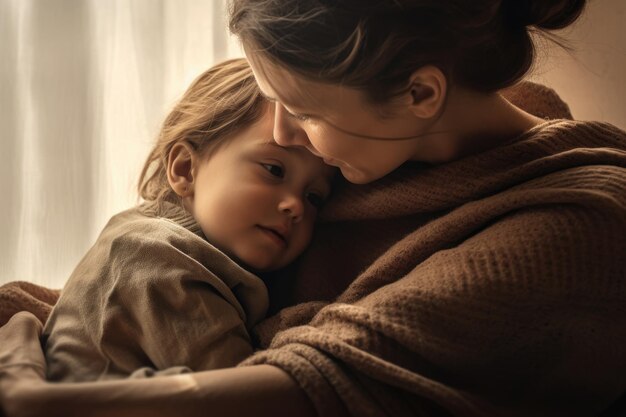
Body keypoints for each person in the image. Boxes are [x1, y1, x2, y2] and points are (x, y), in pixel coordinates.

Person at [1, 0, 625, 416]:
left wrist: (36, 395)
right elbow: (154, 281)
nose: (285, 133)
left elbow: (309, 386)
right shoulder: (381, 146)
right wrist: (27, 322)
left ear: (419, 93)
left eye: (303, 111)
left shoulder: (575, 227)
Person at [41, 57, 335, 382]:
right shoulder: (163, 261)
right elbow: (237, 399)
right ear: (184, 169)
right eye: (274, 170)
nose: (295, 206)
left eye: (314, 197)